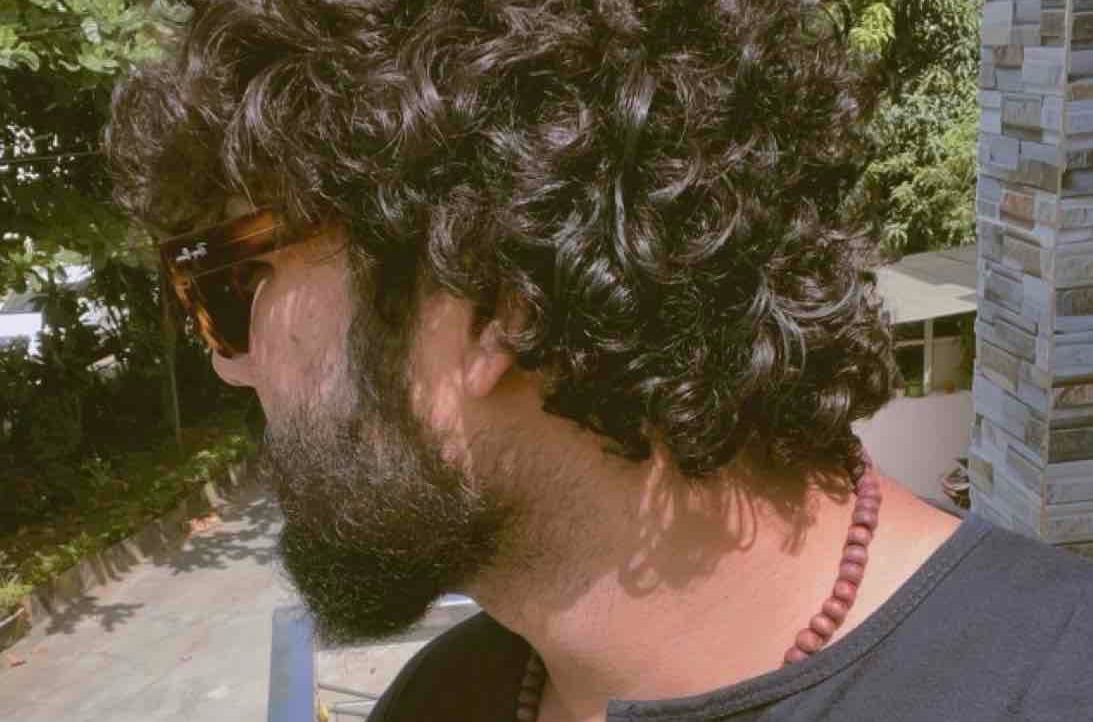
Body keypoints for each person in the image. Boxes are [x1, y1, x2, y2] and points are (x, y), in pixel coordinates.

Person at [107, 1, 1093, 719]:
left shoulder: (1055, 685)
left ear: (491, 299)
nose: (230, 368)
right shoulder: (442, 699)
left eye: (228, 288)